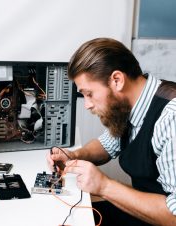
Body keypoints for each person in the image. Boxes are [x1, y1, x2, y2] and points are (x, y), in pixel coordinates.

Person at [47, 38, 176, 226]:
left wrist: (104, 186)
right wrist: (74, 155)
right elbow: (107, 145)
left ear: (117, 80)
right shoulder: (132, 104)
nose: (87, 105)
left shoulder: (170, 118)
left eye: (89, 94)